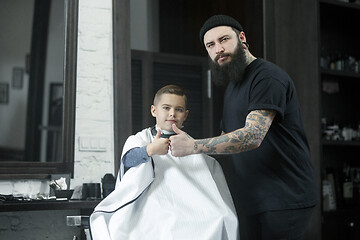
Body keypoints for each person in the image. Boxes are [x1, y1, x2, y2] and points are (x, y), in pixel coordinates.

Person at [169, 15, 318, 240]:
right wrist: (180, 152)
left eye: (224, 39)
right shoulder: (233, 86)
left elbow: (252, 136)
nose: (218, 48)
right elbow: (225, 137)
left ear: (242, 38)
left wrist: (193, 146)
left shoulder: (267, 77)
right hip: (251, 199)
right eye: (211, 45)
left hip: (285, 197)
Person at [89, 84, 239, 240]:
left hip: (192, 207)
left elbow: (208, 178)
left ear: (186, 115)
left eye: (179, 110)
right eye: (166, 108)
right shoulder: (140, 139)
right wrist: (150, 150)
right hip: (153, 203)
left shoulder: (193, 144)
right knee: (164, 224)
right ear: (154, 110)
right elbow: (127, 160)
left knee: (223, 218)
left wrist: (191, 148)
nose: (172, 114)